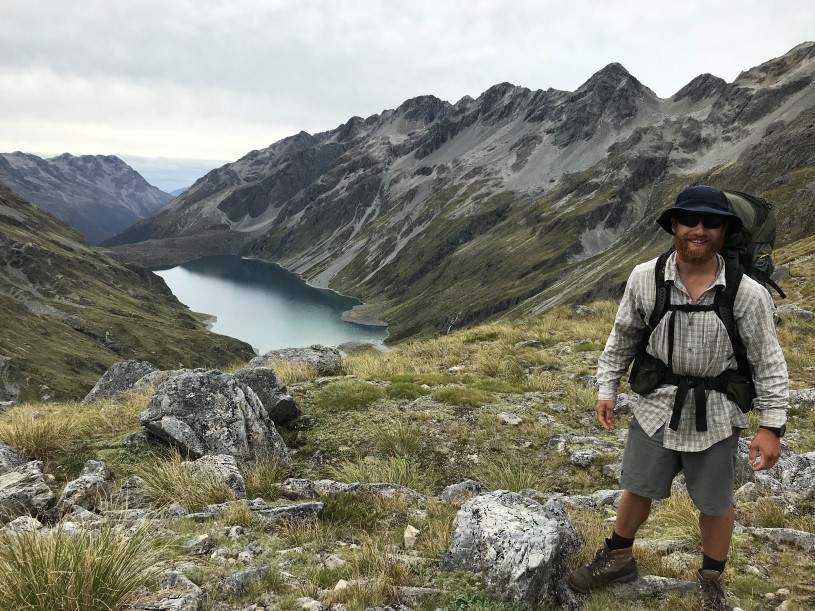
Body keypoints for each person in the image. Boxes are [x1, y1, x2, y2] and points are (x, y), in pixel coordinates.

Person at [567, 185, 789, 611]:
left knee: (715, 502)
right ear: (673, 225)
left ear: (725, 231)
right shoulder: (644, 278)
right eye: (689, 220)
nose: (698, 230)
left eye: (711, 222)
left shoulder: (747, 293)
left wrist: (771, 426)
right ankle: (617, 558)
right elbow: (622, 338)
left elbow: (769, 363)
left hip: (718, 411)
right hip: (656, 406)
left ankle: (711, 580)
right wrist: (606, 388)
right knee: (637, 486)